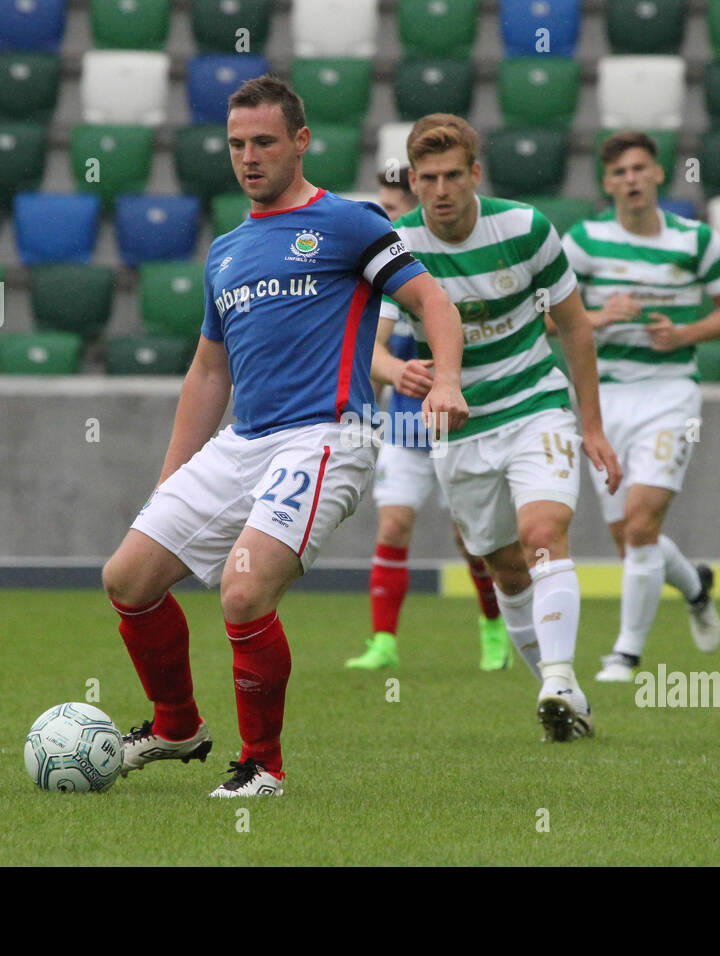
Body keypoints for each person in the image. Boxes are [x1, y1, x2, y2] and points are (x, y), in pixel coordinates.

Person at [100, 77, 468, 797]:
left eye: (264, 141)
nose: (248, 157)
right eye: (237, 144)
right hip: (244, 441)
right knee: (127, 578)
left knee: (242, 592)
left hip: (326, 436)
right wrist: (171, 478)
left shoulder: (350, 223)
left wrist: (448, 380)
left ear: (301, 141)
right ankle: (177, 725)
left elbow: (431, 299)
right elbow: (209, 371)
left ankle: (262, 764)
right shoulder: (227, 251)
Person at [390, 113, 622, 742]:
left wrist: (592, 426)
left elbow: (574, 326)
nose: (441, 190)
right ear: (413, 181)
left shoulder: (525, 228)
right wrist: (395, 369)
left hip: (534, 405)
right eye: (428, 178)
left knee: (543, 531)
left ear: (475, 174)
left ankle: (558, 677)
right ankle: (565, 700)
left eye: (452, 176)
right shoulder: (398, 246)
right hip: (458, 428)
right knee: (506, 570)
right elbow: (368, 343)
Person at [560, 130, 720, 683]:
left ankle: (625, 655)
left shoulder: (696, 241)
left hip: (670, 397)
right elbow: (546, 316)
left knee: (641, 525)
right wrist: (599, 317)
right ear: (606, 183)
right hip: (603, 398)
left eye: (640, 168)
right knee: (627, 537)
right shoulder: (585, 242)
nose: (631, 180)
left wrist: (686, 332)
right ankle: (695, 587)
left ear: (659, 175)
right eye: (619, 172)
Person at [344, 166, 511, 672]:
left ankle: (493, 625)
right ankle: (383, 642)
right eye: (381, 210)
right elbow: (364, 350)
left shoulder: (445, 268)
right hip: (403, 428)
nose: (386, 221)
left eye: (393, 210)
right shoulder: (372, 277)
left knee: (472, 540)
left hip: (463, 428)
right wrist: (393, 376)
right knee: (393, 524)